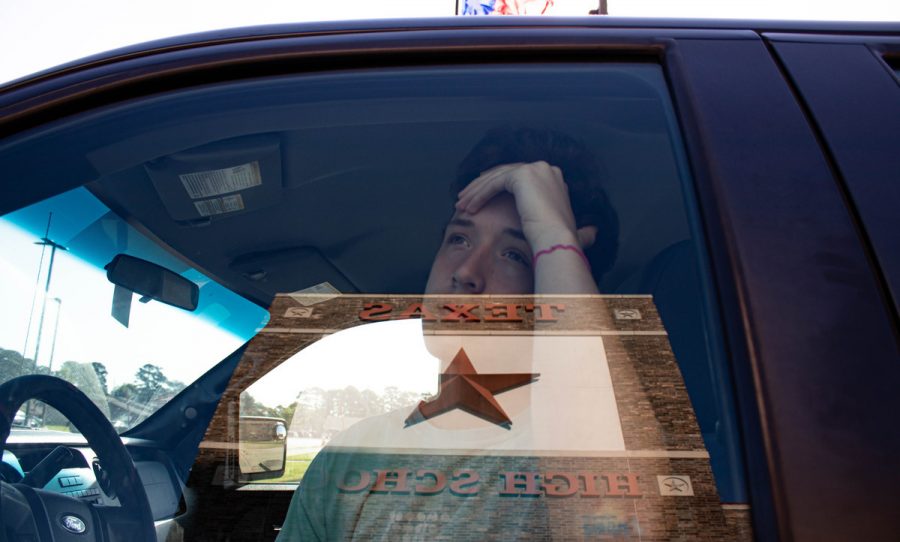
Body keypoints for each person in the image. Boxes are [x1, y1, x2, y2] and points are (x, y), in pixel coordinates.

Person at [276, 127, 619, 541]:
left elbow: (619, 523)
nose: (465, 273)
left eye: (515, 254)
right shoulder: (352, 452)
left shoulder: (583, 446)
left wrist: (554, 237)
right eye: (458, 238)